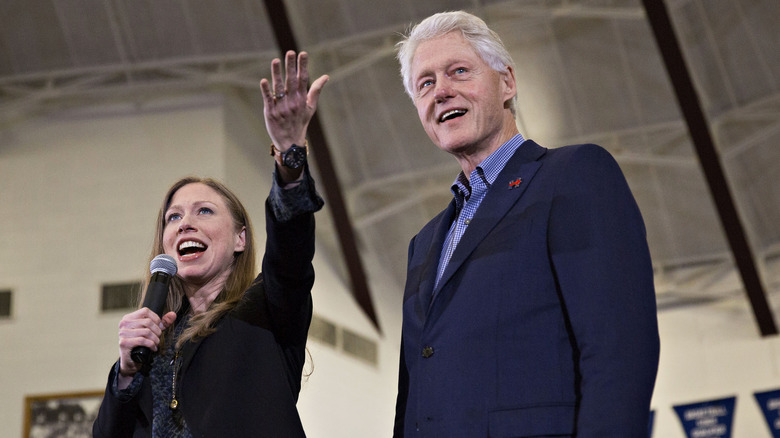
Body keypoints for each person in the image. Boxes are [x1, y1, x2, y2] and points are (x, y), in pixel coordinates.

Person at [393, 11, 660, 437]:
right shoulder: (423, 244)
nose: (441, 91)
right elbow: (417, 391)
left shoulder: (574, 175)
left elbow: (619, 353)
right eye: (425, 84)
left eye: (459, 71)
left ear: (507, 83)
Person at [93, 50, 328, 437]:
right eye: (174, 217)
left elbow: (291, 248)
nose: (185, 224)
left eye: (204, 211)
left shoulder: (267, 308)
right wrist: (126, 373)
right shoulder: (150, 346)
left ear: (240, 238)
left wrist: (290, 156)